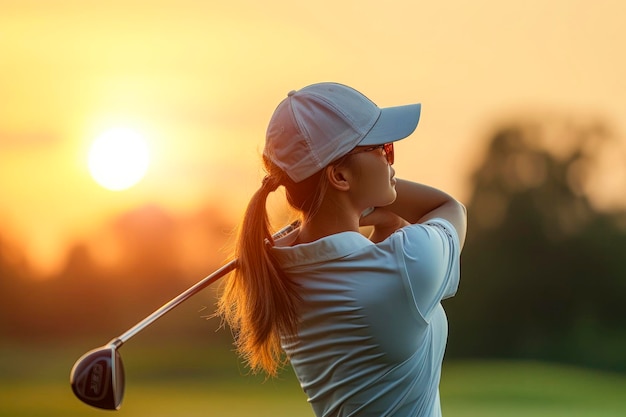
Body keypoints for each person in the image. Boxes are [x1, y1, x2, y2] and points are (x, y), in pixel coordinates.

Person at [216, 82, 467, 416]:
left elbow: (365, 259)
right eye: (383, 149)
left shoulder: (280, 269)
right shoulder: (407, 264)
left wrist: (357, 200)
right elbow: (450, 208)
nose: (391, 160)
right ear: (339, 176)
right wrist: (377, 202)